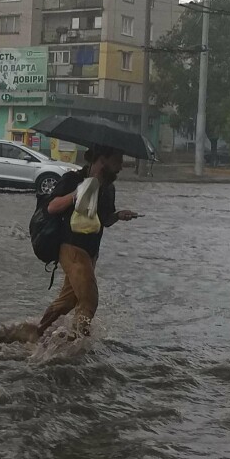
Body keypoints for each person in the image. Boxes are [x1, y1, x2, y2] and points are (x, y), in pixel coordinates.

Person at [37, 145, 140, 338]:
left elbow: (105, 220)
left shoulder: (108, 188)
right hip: (72, 247)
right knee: (89, 301)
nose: (121, 167)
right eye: (117, 161)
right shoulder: (72, 179)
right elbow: (52, 207)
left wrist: (118, 215)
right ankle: (74, 344)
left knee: (67, 302)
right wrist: (77, 194)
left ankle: (37, 332)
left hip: (91, 253)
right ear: (102, 160)